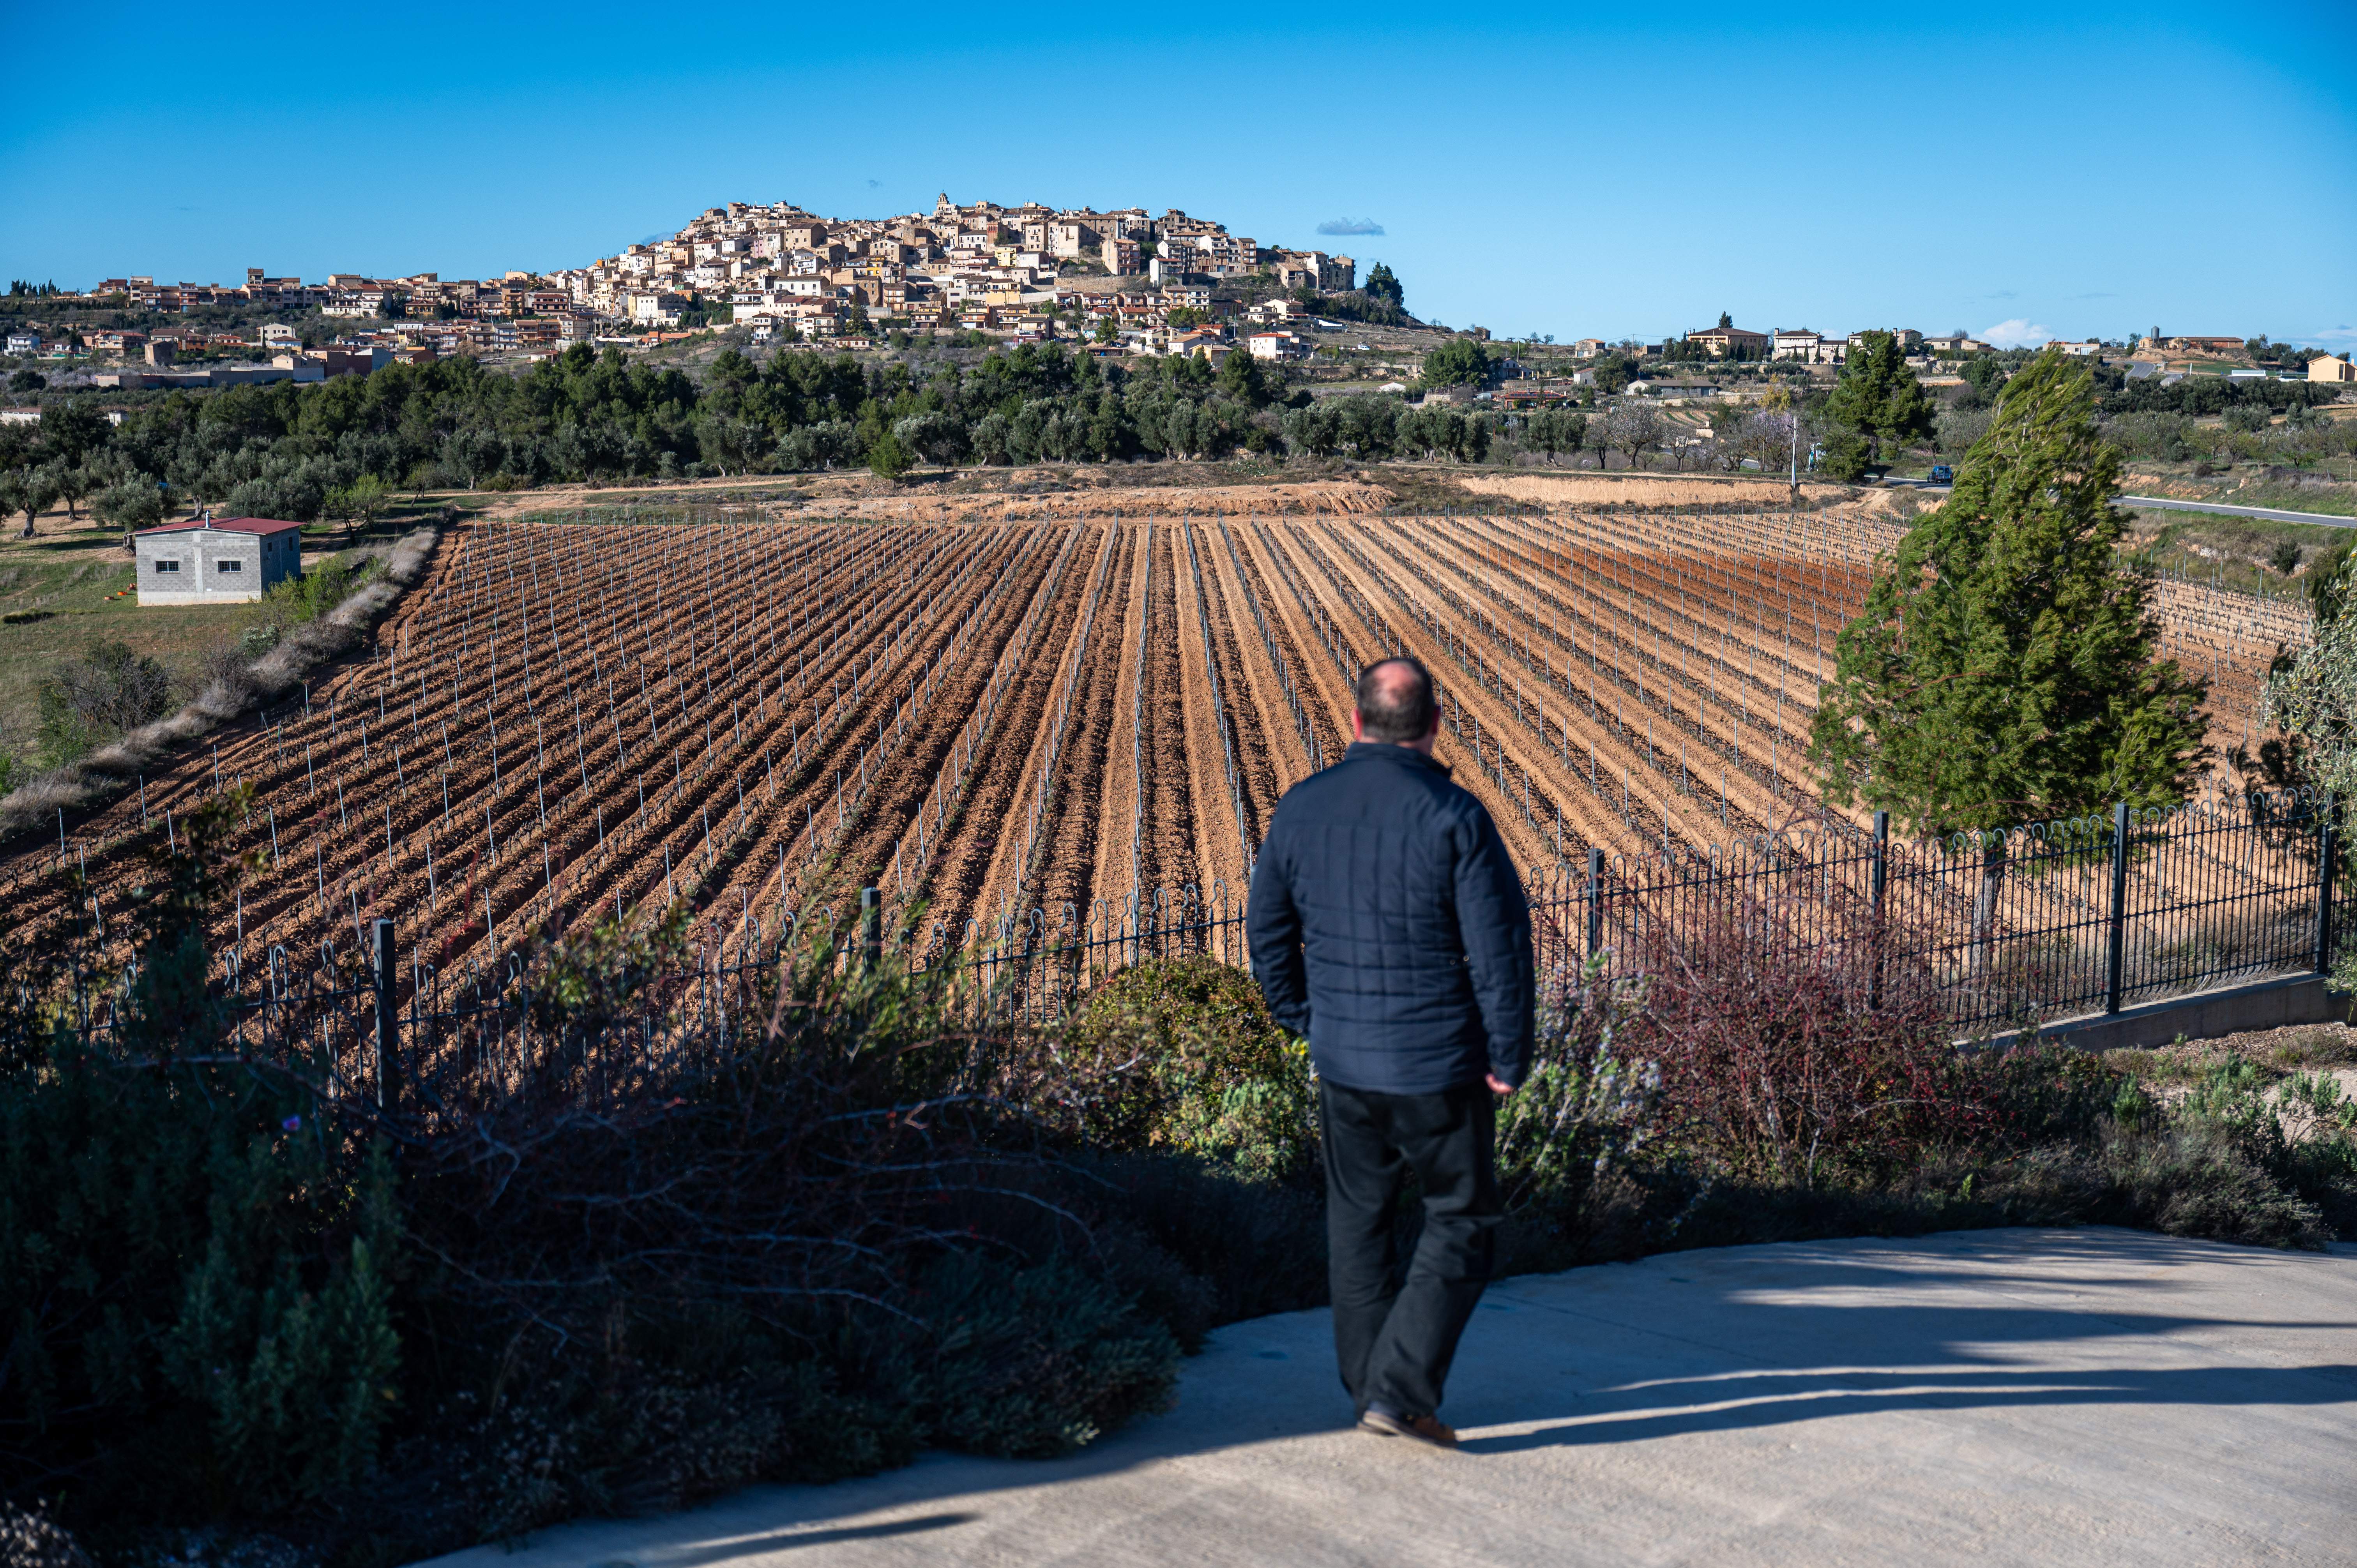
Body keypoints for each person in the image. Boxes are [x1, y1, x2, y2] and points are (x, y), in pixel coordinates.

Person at [1246, 655, 1533, 1450]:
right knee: (1465, 1217)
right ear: (1436, 723)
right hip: (1437, 1062)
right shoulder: (1455, 816)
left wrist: (1303, 1014)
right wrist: (1509, 1054)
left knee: (1357, 1225)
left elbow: (1266, 931)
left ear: (1355, 720)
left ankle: (1375, 1391)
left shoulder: (1301, 809)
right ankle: (1399, 1393)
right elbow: (1502, 949)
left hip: (1344, 1061)